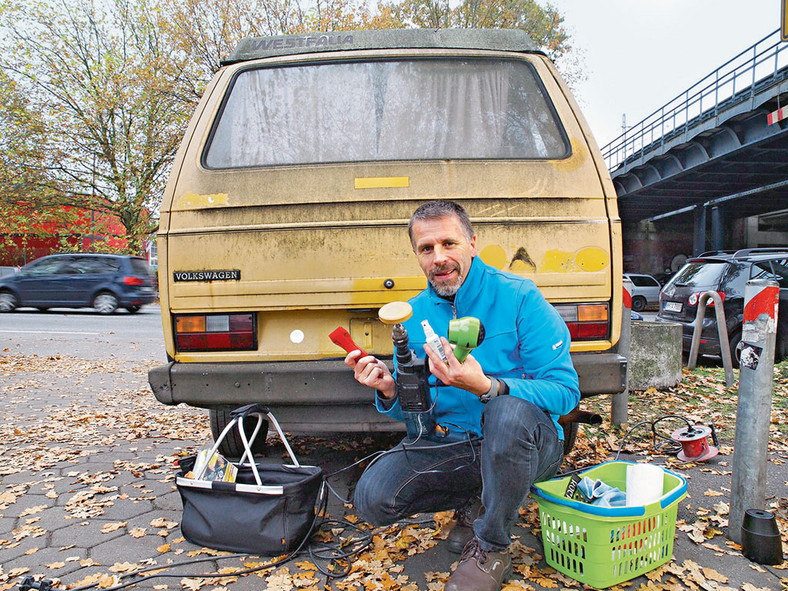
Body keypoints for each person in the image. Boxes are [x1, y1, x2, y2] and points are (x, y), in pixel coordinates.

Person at [344, 200, 580, 591]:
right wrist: (389, 388)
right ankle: (482, 499)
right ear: (417, 256)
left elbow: (566, 392)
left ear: (472, 243)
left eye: (449, 243)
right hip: (457, 442)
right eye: (426, 248)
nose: (439, 257)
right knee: (373, 497)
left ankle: (492, 546)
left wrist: (489, 387)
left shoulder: (520, 297)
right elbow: (418, 413)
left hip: (530, 442)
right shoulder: (415, 316)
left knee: (505, 413)